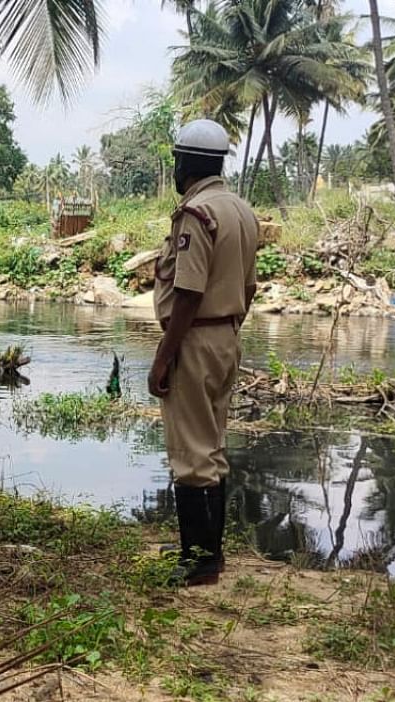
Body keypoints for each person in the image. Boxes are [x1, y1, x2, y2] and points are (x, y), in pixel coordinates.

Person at [148, 119, 259, 586]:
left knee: (191, 454)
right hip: (226, 335)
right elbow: (249, 287)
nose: (175, 169)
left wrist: (163, 356)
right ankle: (211, 554)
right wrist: (228, 331)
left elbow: (188, 292)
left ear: (190, 162)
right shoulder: (241, 211)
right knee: (212, 446)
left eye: (177, 161)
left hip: (193, 338)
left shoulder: (197, 214)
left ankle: (199, 561)